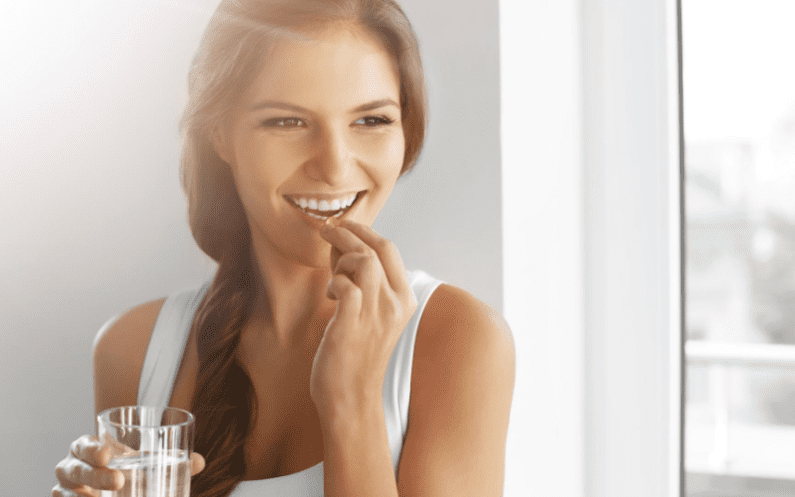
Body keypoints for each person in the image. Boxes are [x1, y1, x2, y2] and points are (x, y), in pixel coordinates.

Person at [52, 0, 515, 495]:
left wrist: (351, 400)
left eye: (372, 121)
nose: (335, 167)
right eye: (288, 122)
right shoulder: (134, 349)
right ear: (220, 134)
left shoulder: (457, 342)